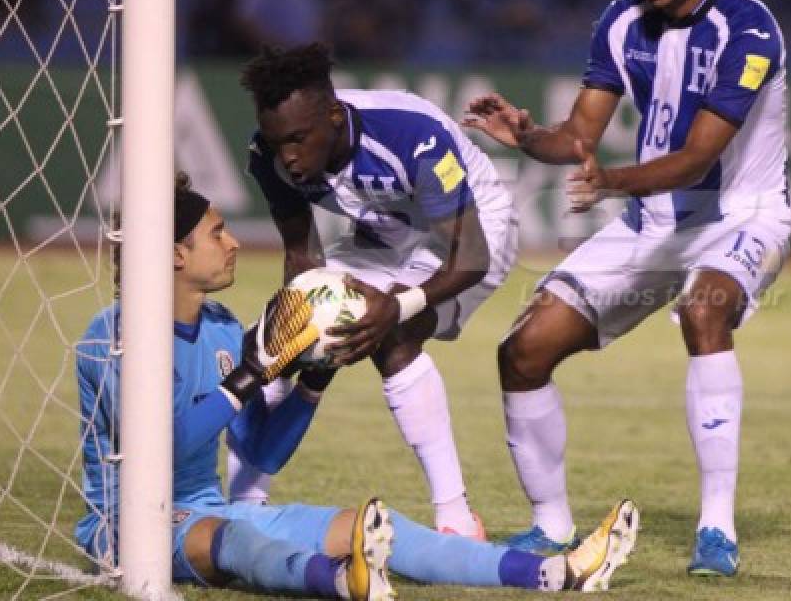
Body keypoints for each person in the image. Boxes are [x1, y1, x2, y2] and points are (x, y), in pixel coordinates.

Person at [73, 173, 640, 597]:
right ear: (175, 253)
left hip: (205, 509)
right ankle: (344, 583)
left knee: (379, 529)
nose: (234, 242)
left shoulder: (221, 327)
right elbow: (156, 451)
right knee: (241, 543)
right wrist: (250, 377)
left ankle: (556, 572)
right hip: (127, 526)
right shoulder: (115, 336)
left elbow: (260, 452)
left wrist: (312, 382)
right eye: (216, 233)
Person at [463, 0, 791, 578]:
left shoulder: (750, 31)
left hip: (742, 216)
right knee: (522, 352)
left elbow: (698, 157)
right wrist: (526, 136)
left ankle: (716, 530)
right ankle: (551, 524)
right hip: (654, 222)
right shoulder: (620, 21)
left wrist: (610, 181)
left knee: (704, 311)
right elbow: (581, 135)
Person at [240, 43, 518, 539]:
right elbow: (302, 256)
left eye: (300, 140)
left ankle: (456, 519)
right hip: (384, 235)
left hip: (469, 233)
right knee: (273, 340)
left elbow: (470, 256)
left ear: (332, 115)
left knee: (394, 334)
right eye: (277, 141)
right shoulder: (271, 156)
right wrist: (299, 332)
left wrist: (400, 304)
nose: (289, 156)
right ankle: (244, 500)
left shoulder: (411, 134)